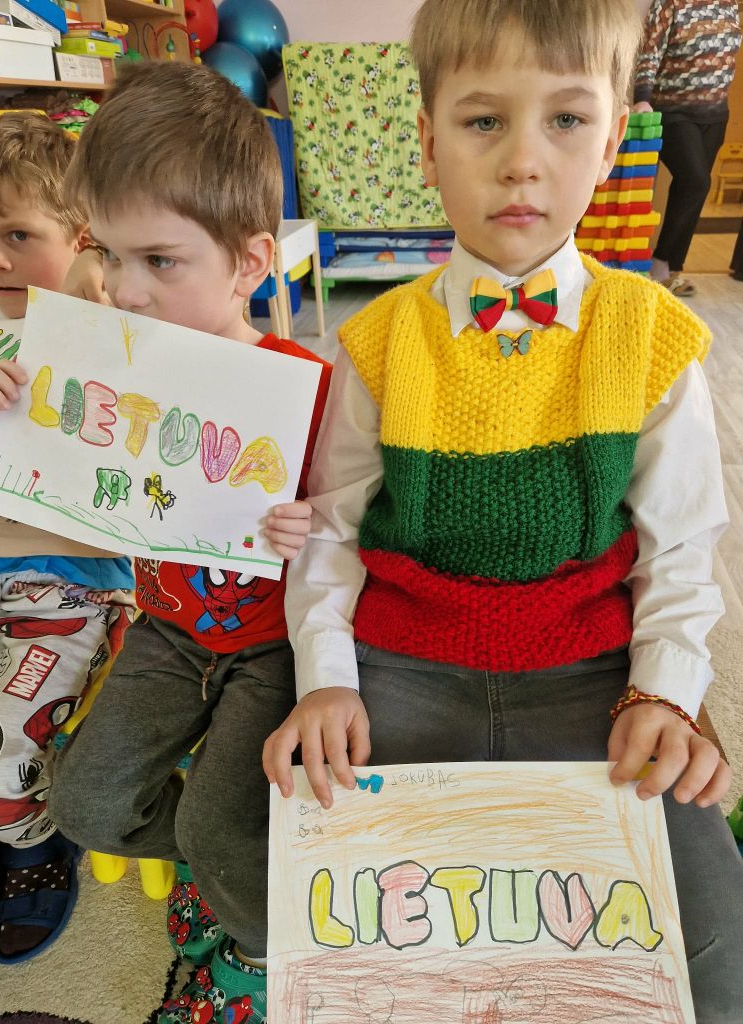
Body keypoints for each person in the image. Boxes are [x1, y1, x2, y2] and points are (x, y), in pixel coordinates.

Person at [263, 0, 743, 1020]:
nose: (523, 162)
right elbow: (334, 527)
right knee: (312, 898)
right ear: (428, 143)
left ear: (611, 144)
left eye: (566, 120)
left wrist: (664, 691)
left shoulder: (650, 332)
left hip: (589, 667)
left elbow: (683, 545)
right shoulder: (377, 340)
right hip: (404, 661)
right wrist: (326, 679)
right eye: (484, 121)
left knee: (711, 942)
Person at [46, 63, 331, 1024]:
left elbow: (364, 526)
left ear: (251, 264)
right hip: (168, 633)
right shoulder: (107, 361)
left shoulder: (305, 384)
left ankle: (264, 943)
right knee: (84, 805)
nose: (123, 290)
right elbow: (51, 463)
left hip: (274, 646)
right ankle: (241, 866)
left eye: (160, 261)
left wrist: (317, 521)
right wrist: (5, 409)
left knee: (217, 823)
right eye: (107, 253)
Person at [0, 111, 135, 963]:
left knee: (1, 735)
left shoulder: (107, 325)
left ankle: (31, 842)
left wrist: (89, 284)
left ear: (78, 236)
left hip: (72, 585)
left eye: (17, 235)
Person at [633, 0, 742, 298]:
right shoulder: (671, 4)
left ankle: (671, 270)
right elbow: (650, 52)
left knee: (691, 190)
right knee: (696, 181)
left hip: (716, 115)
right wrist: (642, 98)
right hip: (673, 110)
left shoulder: (730, 5)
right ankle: (660, 266)